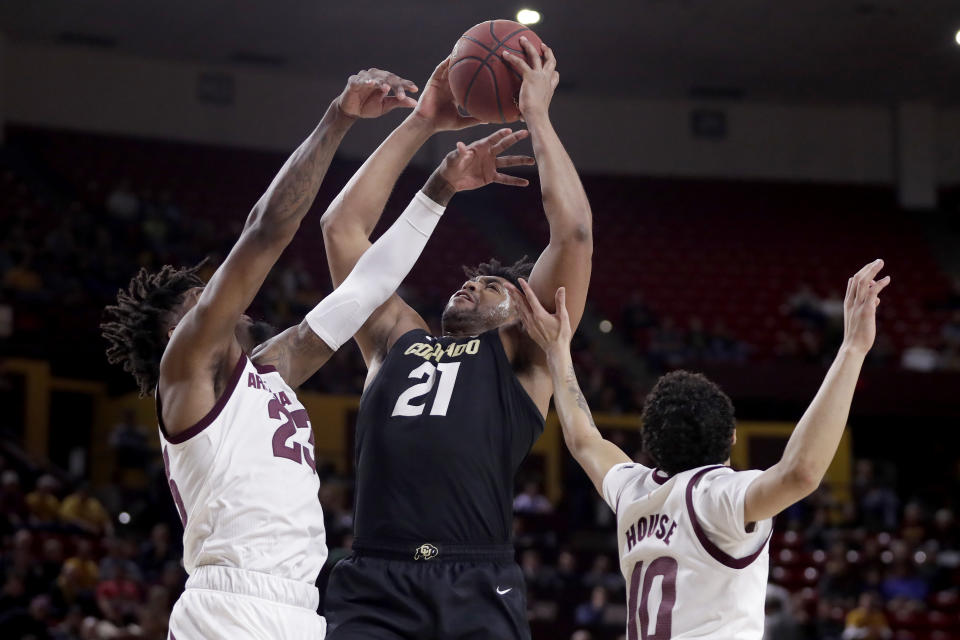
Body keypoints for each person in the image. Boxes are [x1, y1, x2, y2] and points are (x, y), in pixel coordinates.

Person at [101, 67, 521, 639]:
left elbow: (360, 292)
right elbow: (267, 228)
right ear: (177, 331)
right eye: (202, 304)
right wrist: (339, 117)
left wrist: (438, 186)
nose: (223, 307)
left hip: (301, 607)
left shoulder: (266, 373)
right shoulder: (190, 368)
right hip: (230, 604)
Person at [321, 39, 592, 640]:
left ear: (519, 311)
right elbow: (341, 229)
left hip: (475, 577)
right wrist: (423, 123)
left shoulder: (522, 354)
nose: (472, 286)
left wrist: (538, 118)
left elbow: (571, 232)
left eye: (493, 284)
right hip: (374, 576)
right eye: (469, 282)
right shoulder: (395, 337)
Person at [515, 259, 890, 639]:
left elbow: (584, 439)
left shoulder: (633, 491)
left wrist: (557, 350)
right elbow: (801, 472)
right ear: (731, 438)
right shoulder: (716, 497)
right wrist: (852, 348)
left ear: (650, 444)